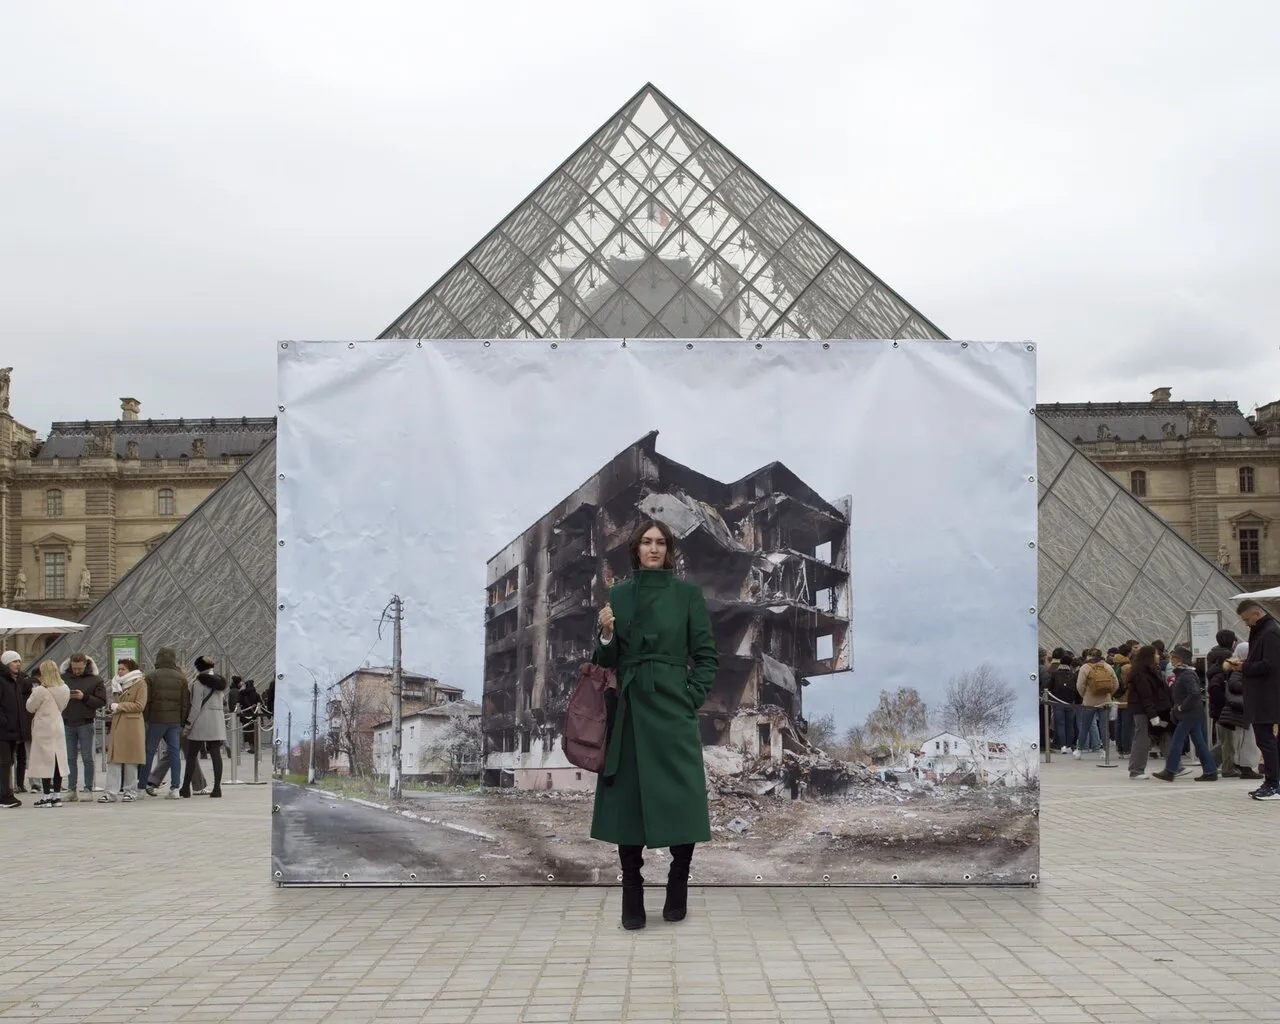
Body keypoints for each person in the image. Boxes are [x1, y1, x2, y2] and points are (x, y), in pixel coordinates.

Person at [591, 519, 718, 930]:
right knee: (628, 802)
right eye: (646, 542)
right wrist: (606, 634)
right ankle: (632, 894)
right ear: (635, 549)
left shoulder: (687, 595)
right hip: (629, 707)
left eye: (660, 542)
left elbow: (706, 655)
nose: (653, 548)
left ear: (669, 550)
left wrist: (690, 696)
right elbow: (606, 661)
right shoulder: (620, 594)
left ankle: (677, 884)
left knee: (682, 795)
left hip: (672, 706)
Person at [1152, 645, 1218, 782]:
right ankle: (1210, 770)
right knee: (1199, 742)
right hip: (1192, 713)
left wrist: (1182, 707)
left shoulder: (1186, 674)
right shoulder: (1185, 673)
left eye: (1174, 658)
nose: (1172, 661)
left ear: (1179, 659)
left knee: (1177, 741)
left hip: (1188, 714)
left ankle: (1170, 770)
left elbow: (1194, 693)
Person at [1237, 599, 1280, 800]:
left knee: (1266, 740)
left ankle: (1273, 784)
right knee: (1269, 741)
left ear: (1257, 613)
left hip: (1266, 696)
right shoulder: (1264, 630)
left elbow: (1270, 664)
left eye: (1247, 619)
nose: (1246, 623)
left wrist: (1243, 667)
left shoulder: (1270, 632)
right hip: (1265, 694)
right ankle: (1273, 782)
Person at [142, 648, 190, 799]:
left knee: (148, 753)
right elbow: (185, 703)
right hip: (174, 721)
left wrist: (147, 718)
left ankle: (141, 786)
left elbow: (146, 701)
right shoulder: (181, 678)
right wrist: (181, 722)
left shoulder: (150, 676)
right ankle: (175, 788)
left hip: (155, 719)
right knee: (175, 753)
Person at [60, 654, 106, 801]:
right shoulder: (63, 678)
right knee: (70, 758)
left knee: (87, 757)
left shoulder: (96, 680)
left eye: (79, 668)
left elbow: (101, 701)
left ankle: (88, 788)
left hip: (85, 722)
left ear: (86, 665)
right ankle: (71, 789)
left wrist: (84, 697)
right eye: (74, 668)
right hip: (67, 721)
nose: (76, 671)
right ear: (70, 665)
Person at [99, 665, 148, 803]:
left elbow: (140, 705)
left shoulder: (140, 683)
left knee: (131, 760)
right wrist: (112, 708)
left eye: (123, 669)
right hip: (118, 723)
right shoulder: (116, 683)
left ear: (131, 670)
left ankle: (130, 791)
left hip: (133, 725)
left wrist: (119, 706)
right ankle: (110, 793)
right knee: (114, 760)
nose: (119, 671)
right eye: (119, 668)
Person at [180, 655, 227, 798]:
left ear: (198, 668)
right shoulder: (221, 682)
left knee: (192, 755)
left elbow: (195, 707)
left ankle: (186, 788)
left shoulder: (198, 683)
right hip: (217, 721)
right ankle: (217, 788)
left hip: (201, 721)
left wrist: (188, 726)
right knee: (216, 754)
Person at [26, 661, 71, 807]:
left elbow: (30, 707)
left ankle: (46, 797)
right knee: (58, 760)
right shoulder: (65, 688)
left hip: (43, 727)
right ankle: (57, 796)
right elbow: (63, 706)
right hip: (57, 725)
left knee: (44, 761)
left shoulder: (40, 690)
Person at [1124, 645, 1172, 780]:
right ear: (1149, 657)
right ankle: (1136, 770)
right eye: (1156, 654)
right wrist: (1153, 716)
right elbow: (1145, 697)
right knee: (1142, 738)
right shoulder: (1141, 674)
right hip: (1145, 712)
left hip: (1153, 711)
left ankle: (1174, 765)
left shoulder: (1150, 671)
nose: (1159, 656)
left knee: (1164, 734)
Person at [1219, 642, 1263, 781]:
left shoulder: (1234, 668)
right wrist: (1251, 687)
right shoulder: (1239, 669)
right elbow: (1235, 684)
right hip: (1242, 710)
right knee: (1246, 740)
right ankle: (1246, 768)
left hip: (1239, 711)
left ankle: (1243, 766)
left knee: (1242, 740)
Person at [1074, 649, 1116, 759]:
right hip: (1105, 701)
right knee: (1104, 727)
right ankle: (1104, 750)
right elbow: (1115, 684)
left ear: (1088, 656)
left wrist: (1085, 695)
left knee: (1085, 726)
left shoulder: (1085, 667)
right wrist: (1109, 694)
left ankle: (1079, 749)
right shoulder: (1107, 667)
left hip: (1089, 701)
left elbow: (1079, 685)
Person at [0, 650, 28, 808]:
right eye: (14, 661)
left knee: (8, 761)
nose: (18, 664)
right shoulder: (2, 681)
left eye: (19, 661)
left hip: (12, 729)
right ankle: (5, 795)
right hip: (4, 729)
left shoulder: (14, 681)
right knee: (4, 762)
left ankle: (6, 792)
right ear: (6, 664)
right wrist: (4, 721)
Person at [1046, 651, 1079, 752]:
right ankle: (1069, 745)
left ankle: (1062, 746)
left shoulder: (1055, 674)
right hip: (1070, 702)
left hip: (1057, 701)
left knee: (1060, 724)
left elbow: (1049, 687)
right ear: (1070, 664)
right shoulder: (1073, 675)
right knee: (1069, 724)